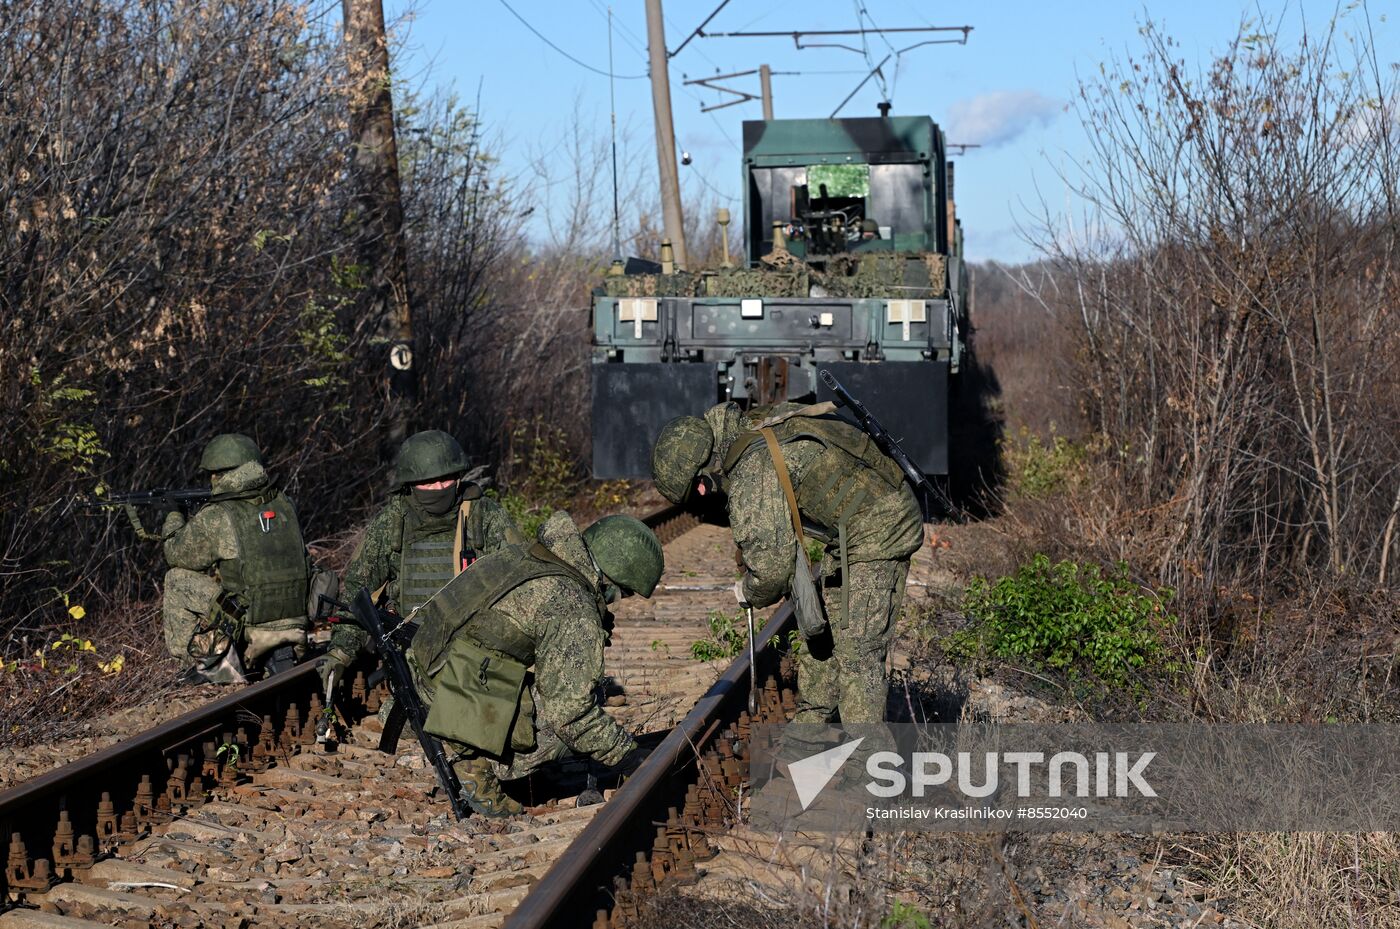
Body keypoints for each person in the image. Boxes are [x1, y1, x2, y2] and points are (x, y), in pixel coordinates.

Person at [650, 401, 922, 725]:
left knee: (856, 658)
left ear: (704, 471)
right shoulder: (751, 425)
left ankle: (866, 769)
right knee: (823, 644)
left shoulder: (753, 468)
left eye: (698, 486)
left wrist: (748, 591)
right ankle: (808, 739)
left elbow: (770, 568)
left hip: (881, 529)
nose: (702, 493)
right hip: (855, 530)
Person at [408, 511, 663, 816]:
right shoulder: (570, 604)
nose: (615, 600)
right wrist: (629, 757)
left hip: (427, 672)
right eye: (621, 592)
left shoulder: (532, 554)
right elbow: (571, 715)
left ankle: (460, 737)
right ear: (611, 578)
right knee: (575, 708)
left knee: (558, 687)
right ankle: (477, 764)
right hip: (451, 697)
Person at [319, 429, 525, 690]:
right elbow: (357, 592)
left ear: (459, 477)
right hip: (412, 655)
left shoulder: (484, 516)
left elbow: (521, 579)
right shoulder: (392, 523)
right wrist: (341, 652)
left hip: (476, 655)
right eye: (428, 482)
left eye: (447, 479)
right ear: (410, 483)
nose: (439, 489)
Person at [128, 434, 314, 684]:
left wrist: (174, 514)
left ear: (218, 474)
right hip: (298, 613)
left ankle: (196, 668)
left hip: (250, 619)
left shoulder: (217, 516)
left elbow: (176, 555)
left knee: (176, 579)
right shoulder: (284, 504)